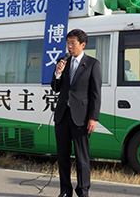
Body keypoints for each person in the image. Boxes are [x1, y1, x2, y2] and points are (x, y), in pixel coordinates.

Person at [51, 29, 102, 197]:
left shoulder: (92, 64)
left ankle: (83, 191)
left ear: (83, 45)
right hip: (62, 116)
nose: (69, 46)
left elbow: (95, 94)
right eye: (68, 43)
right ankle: (65, 190)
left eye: (73, 43)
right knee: (63, 157)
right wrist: (58, 73)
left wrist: (93, 118)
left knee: (82, 158)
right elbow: (55, 88)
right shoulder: (63, 61)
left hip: (81, 117)